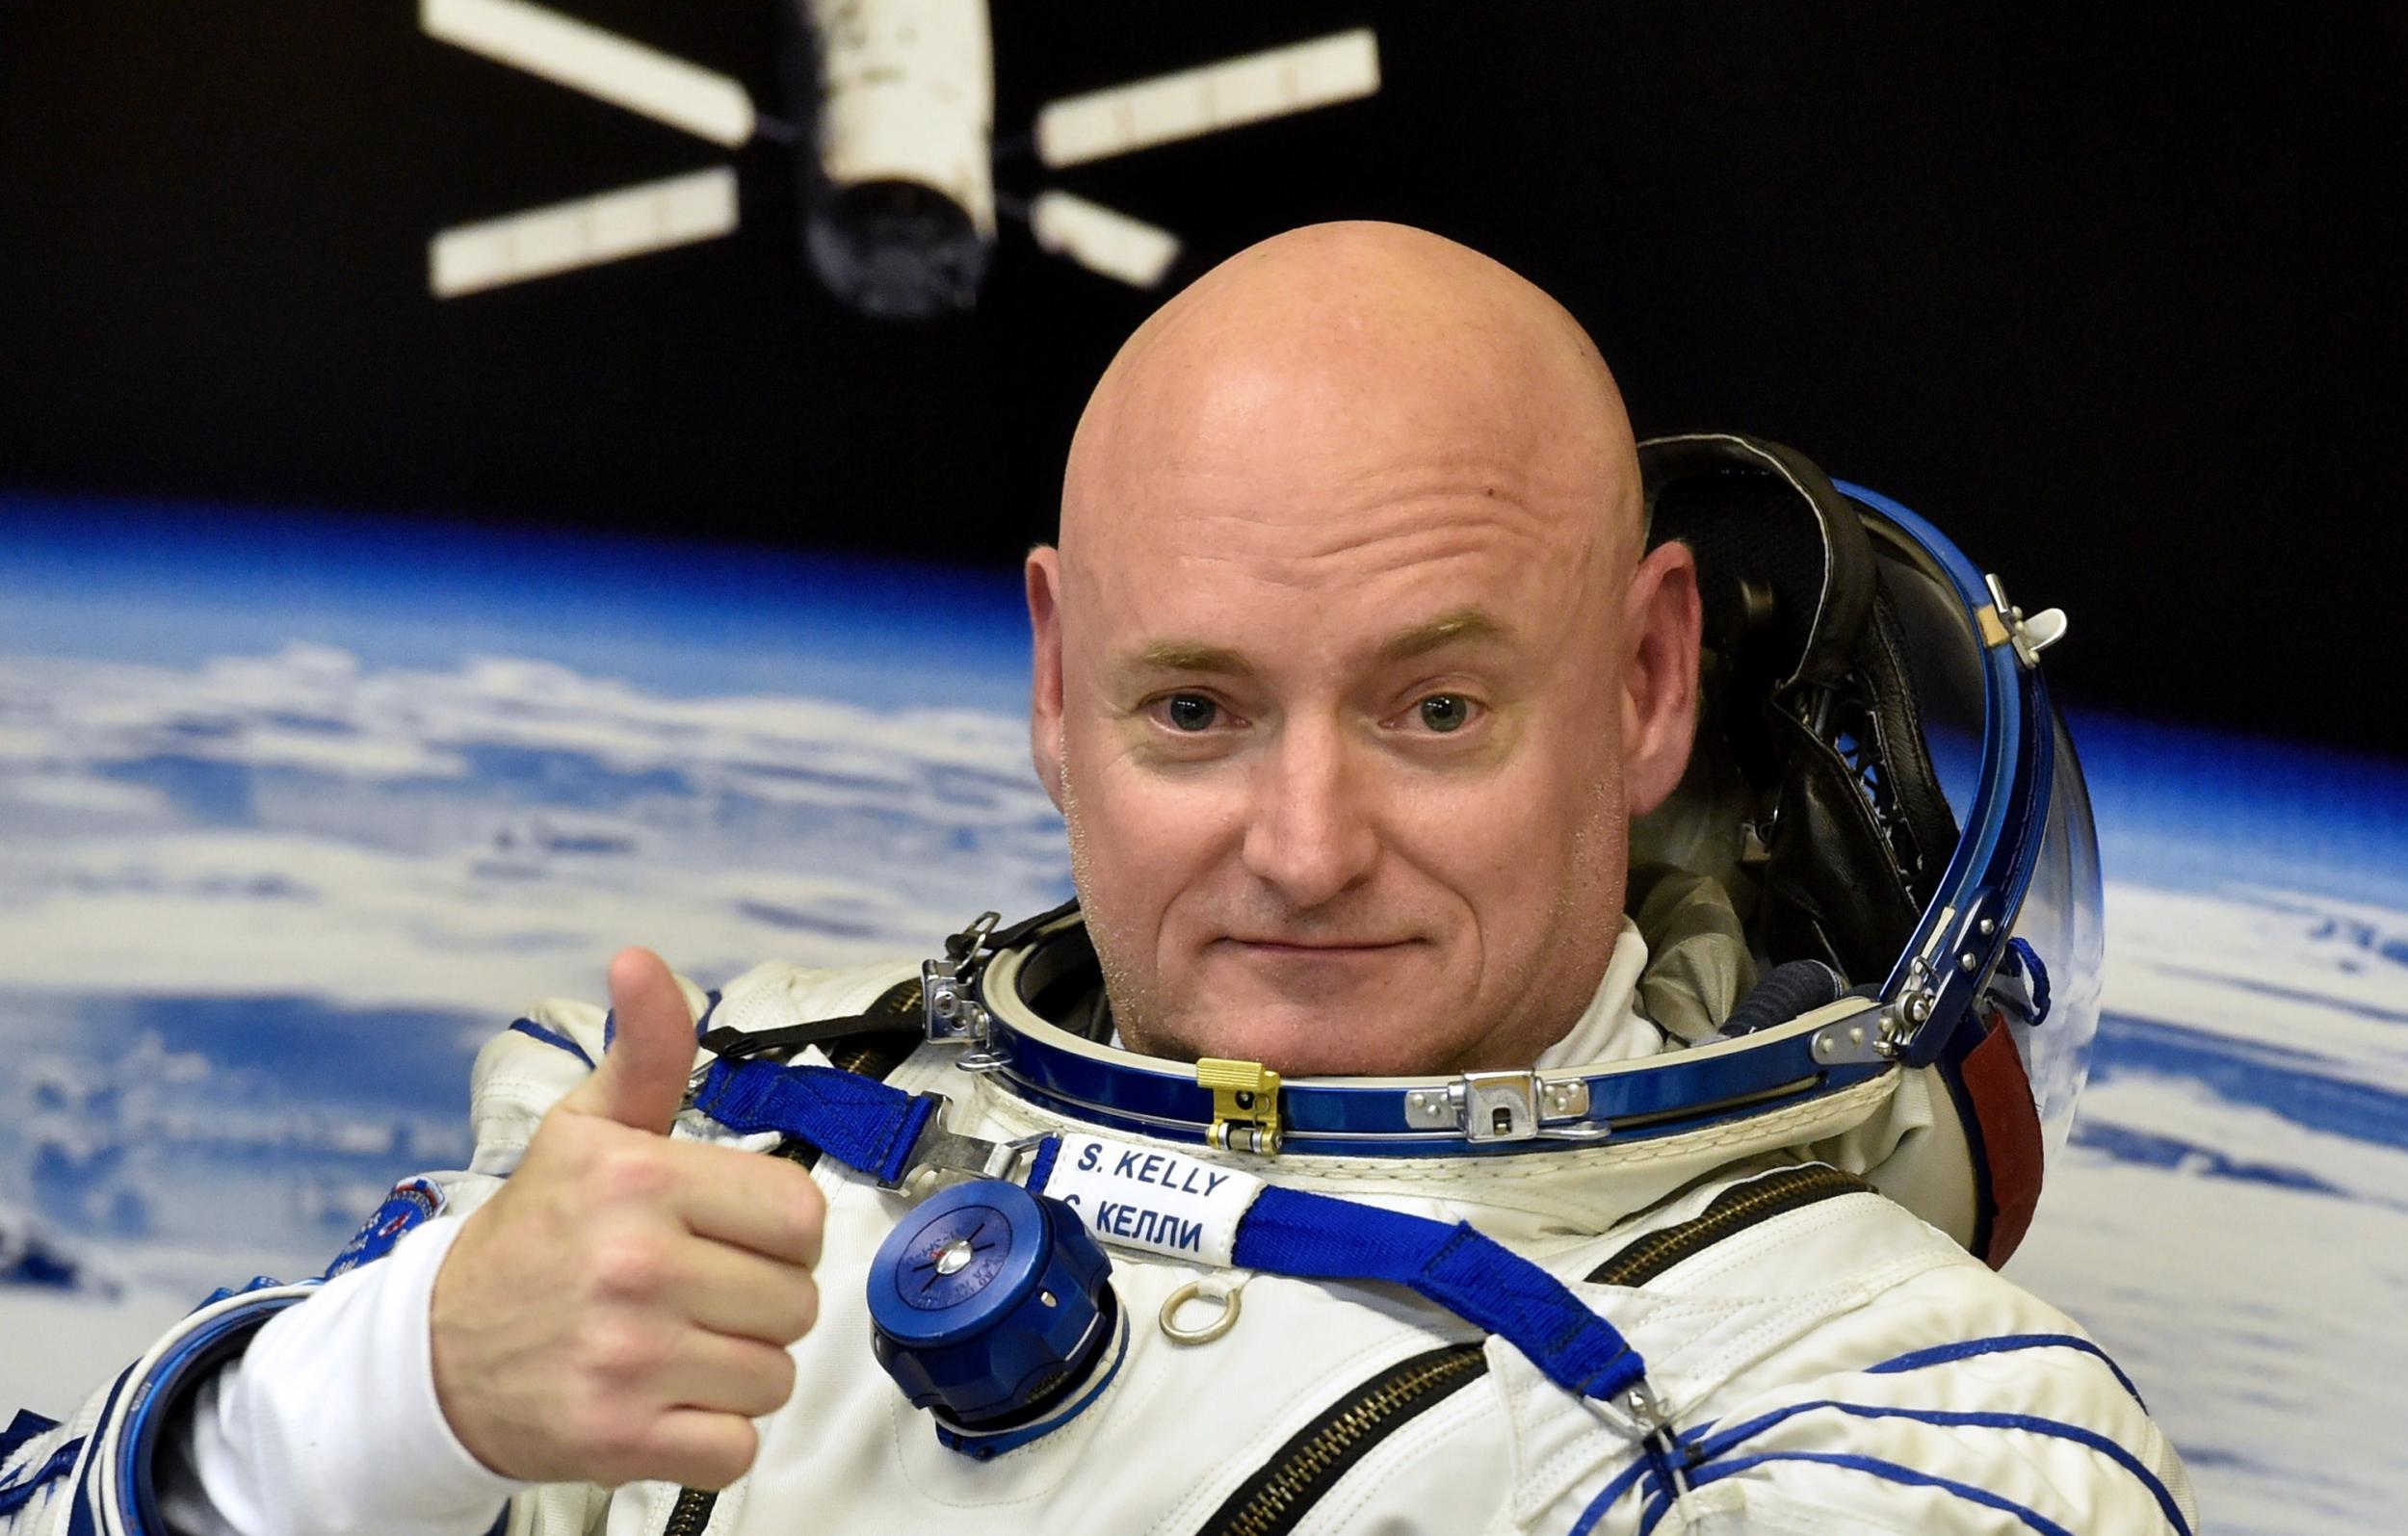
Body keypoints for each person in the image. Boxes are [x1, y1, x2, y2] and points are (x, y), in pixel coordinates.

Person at [0, 222, 2195, 1534]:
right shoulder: (699, 1129)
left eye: (1433, 712)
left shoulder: (1874, 1410)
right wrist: (373, 1408)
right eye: (1191, 715)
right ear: (1054, 685)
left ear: (1639, 685)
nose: (1305, 849)